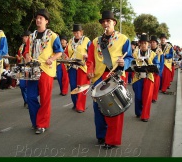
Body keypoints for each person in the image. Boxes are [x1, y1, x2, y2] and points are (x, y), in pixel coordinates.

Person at [86, 10, 133, 149]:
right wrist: (89, 70)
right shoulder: (95, 41)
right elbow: (90, 60)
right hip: (99, 77)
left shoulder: (123, 39)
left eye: (109, 21)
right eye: (104, 21)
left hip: (116, 76)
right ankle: (101, 135)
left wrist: (125, 63)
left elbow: (129, 57)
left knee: (115, 108)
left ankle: (112, 140)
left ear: (114, 23)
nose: (106, 23)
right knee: (98, 108)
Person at [24, 9, 63, 134]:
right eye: (37, 18)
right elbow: (26, 51)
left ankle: (42, 124)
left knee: (45, 99)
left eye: (41, 18)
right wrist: (27, 56)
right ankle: (36, 121)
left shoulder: (53, 36)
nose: (38, 20)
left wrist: (52, 59)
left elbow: (59, 52)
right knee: (30, 97)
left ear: (46, 21)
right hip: (32, 69)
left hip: (46, 70)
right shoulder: (31, 36)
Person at [132, 33, 159, 122]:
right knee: (138, 97)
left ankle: (145, 116)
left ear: (148, 44)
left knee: (147, 97)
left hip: (148, 77)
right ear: (139, 43)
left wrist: (155, 67)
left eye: (145, 43)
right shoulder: (135, 53)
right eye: (142, 43)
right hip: (137, 77)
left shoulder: (153, 54)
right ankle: (139, 112)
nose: (144, 45)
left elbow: (157, 64)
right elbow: (131, 63)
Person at [65, 24, 91, 113]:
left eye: (78, 32)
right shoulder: (70, 41)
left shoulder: (86, 40)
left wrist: (87, 56)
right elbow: (66, 52)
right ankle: (75, 103)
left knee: (81, 87)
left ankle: (80, 106)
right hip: (72, 66)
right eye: (75, 32)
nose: (76, 34)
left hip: (82, 66)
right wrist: (66, 58)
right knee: (73, 86)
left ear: (81, 32)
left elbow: (91, 52)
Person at [16, 30, 31, 108]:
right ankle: (26, 100)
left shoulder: (32, 46)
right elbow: (19, 58)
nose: (24, 38)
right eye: (23, 37)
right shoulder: (21, 47)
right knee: (22, 86)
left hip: (30, 68)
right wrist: (18, 58)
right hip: (22, 67)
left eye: (25, 37)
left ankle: (29, 101)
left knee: (29, 85)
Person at [149, 36, 164, 103]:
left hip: (156, 71)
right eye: (151, 42)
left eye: (154, 42)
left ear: (157, 43)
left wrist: (159, 72)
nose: (152, 43)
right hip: (149, 70)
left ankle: (154, 98)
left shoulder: (160, 52)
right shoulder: (148, 50)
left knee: (156, 85)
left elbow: (162, 62)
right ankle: (149, 96)